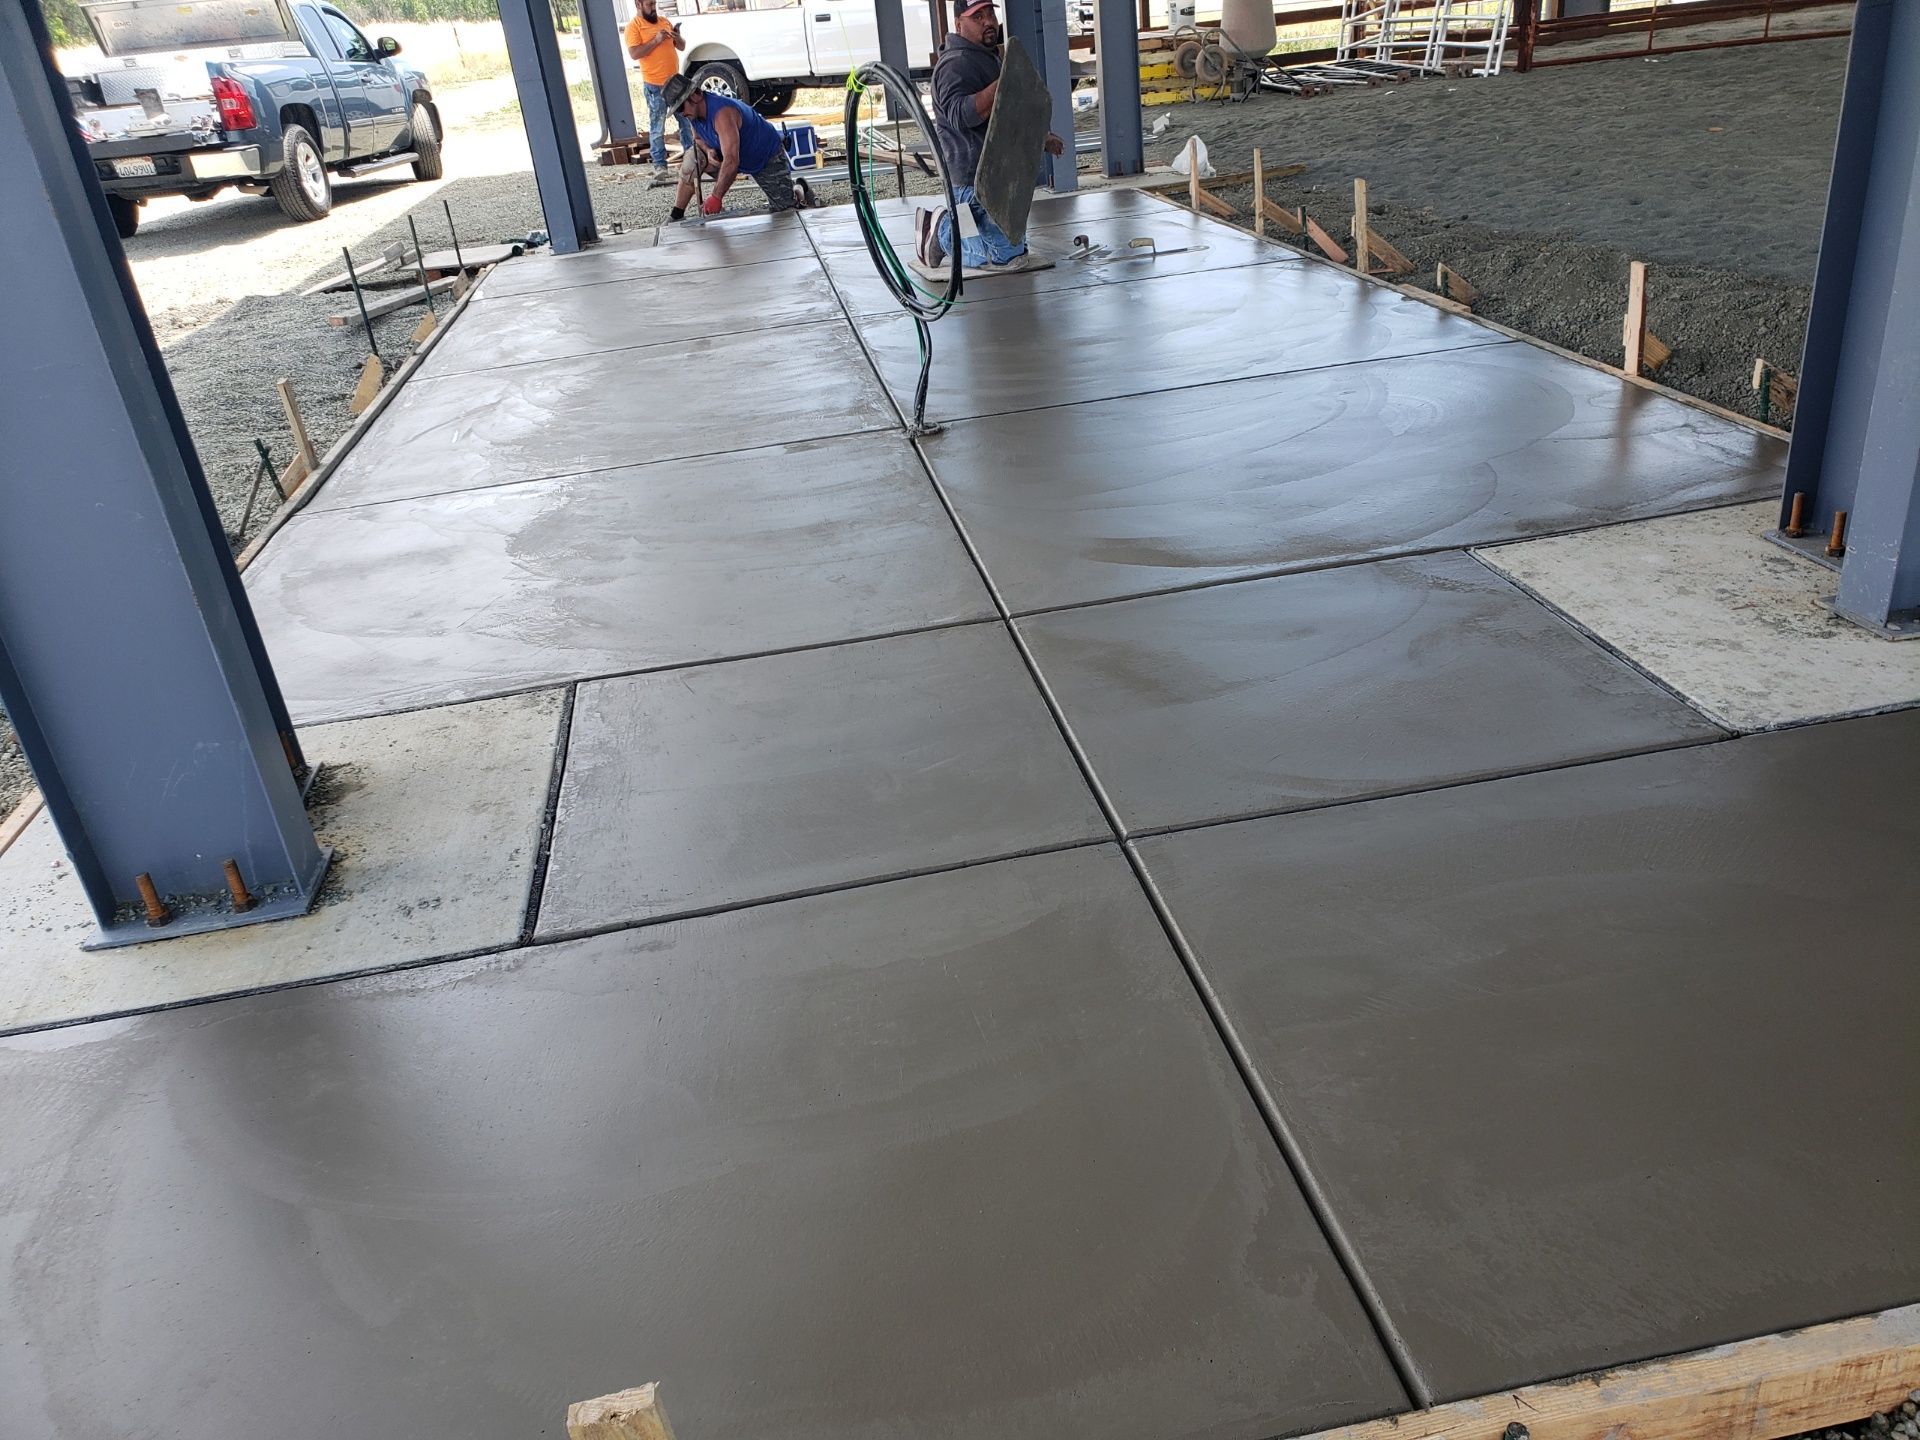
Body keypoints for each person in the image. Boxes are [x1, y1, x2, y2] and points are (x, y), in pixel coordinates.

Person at [919, 0, 1065, 269]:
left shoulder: (989, 58)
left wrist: (1041, 138)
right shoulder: (955, 64)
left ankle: (960, 229)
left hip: (994, 177)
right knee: (1005, 257)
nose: (988, 22)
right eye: (978, 17)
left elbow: (1006, 114)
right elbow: (961, 116)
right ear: (959, 24)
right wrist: (1003, 84)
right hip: (971, 182)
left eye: (990, 14)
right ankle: (941, 233)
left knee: (1015, 249)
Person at [660, 73, 798, 219]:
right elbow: (698, 139)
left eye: (681, 107)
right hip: (732, 154)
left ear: (695, 96)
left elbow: (732, 161)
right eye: (677, 111)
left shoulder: (722, 113)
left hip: (764, 155)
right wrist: (708, 151)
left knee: (786, 210)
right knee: (692, 158)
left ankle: (800, 189)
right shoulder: (693, 113)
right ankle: (677, 214)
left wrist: (716, 197)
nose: (681, 114)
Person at [625, 0, 689, 179]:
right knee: (657, 125)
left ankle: (691, 158)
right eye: (649, 5)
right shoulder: (634, 27)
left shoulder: (664, 21)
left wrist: (677, 37)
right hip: (655, 84)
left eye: (654, 4)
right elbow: (634, 54)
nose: (653, 8)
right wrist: (656, 40)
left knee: (686, 121)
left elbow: (681, 46)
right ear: (638, 4)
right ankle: (660, 165)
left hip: (675, 81)